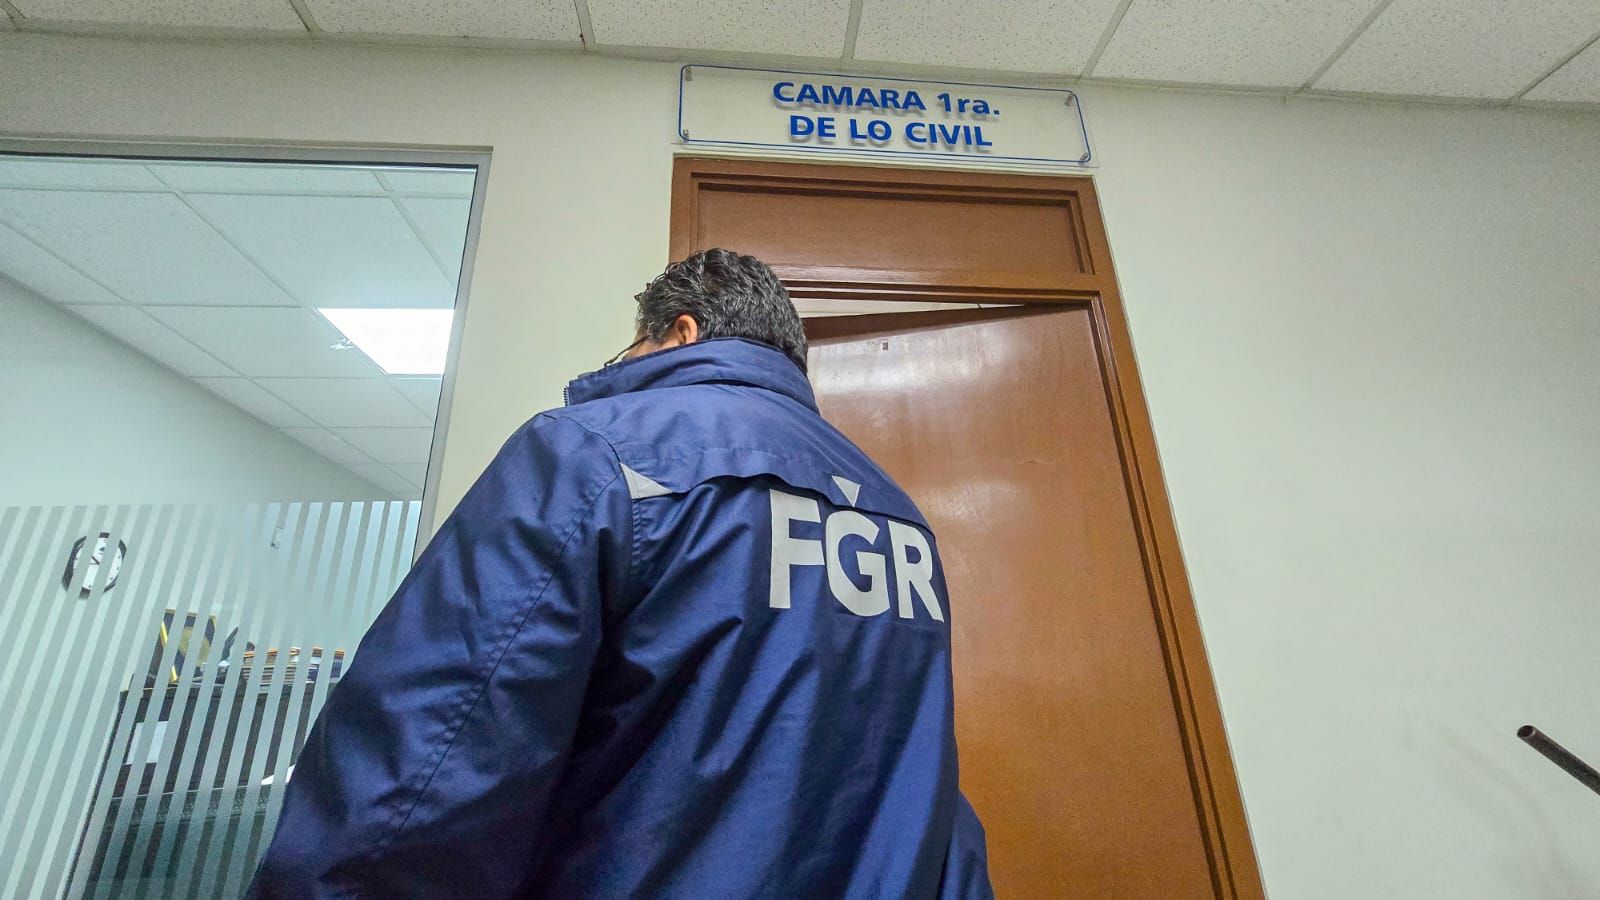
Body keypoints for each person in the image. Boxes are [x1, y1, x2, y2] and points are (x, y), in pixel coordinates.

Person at [248, 249, 992, 898]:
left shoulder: (593, 454)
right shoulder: (896, 513)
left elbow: (430, 761)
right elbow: (928, 792)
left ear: (682, 332)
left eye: (630, 347)